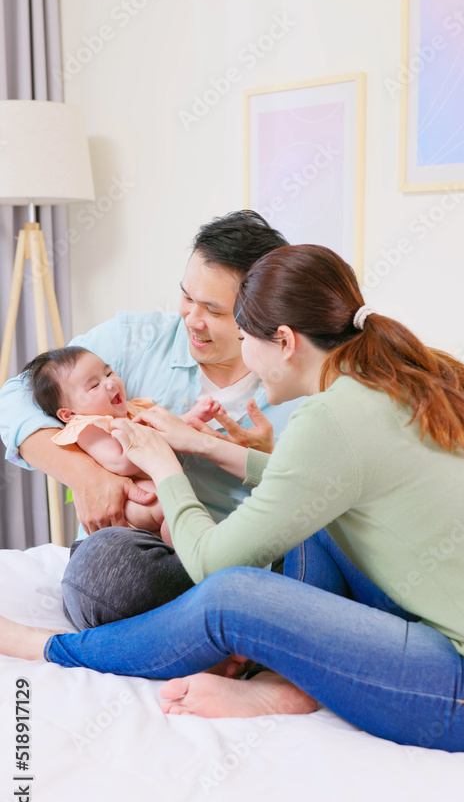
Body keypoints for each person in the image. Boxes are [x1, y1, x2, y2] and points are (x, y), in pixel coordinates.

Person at [2, 243, 464, 753]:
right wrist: (205, 445)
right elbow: (311, 487)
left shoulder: (331, 417)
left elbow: (214, 567)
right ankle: (286, 680)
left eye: (243, 335)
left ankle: (50, 650)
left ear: (284, 340)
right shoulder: (403, 380)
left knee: (231, 597)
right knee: (312, 523)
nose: (244, 359)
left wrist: (163, 464)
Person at [0, 210, 303, 626]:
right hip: (138, 551)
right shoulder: (132, 339)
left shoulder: (296, 387)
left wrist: (260, 461)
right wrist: (88, 476)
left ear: (259, 312)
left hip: (231, 558)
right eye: (187, 297)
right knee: (108, 576)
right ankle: (225, 629)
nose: (192, 320)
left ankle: (213, 626)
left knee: (313, 562)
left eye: (213, 311)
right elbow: (15, 395)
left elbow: (306, 498)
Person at [21, 346, 223, 545]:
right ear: (69, 414)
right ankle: (184, 562)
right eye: (94, 386)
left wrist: (189, 419)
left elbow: (168, 427)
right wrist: (163, 440)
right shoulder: (88, 426)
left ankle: (182, 555)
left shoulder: (132, 409)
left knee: (180, 504)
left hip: (144, 488)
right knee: (169, 504)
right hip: (126, 501)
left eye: (109, 373)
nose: (110, 383)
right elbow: (120, 462)